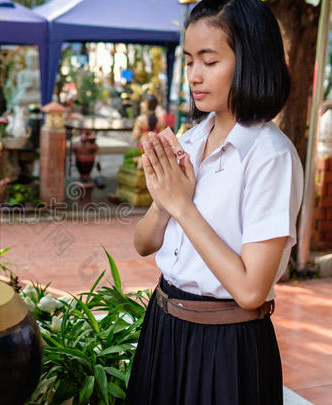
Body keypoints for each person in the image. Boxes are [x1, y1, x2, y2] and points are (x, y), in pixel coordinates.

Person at [126, 1, 303, 404]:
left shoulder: (268, 156)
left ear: (250, 61)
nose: (194, 76)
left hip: (226, 344)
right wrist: (164, 196)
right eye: (189, 61)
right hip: (164, 329)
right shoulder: (190, 140)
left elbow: (250, 290)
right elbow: (143, 244)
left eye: (209, 61)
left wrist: (183, 206)